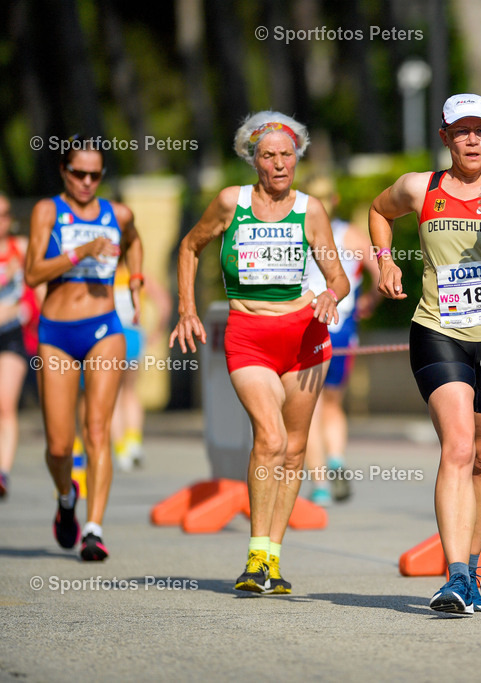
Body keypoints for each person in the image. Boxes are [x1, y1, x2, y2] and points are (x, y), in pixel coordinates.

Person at [369, 94, 481, 615]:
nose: (472, 140)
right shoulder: (419, 187)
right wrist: (385, 262)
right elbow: (379, 212)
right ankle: (456, 576)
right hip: (438, 329)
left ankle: (473, 568)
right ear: (444, 137)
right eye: (461, 131)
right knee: (460, 446)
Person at [170, 112, 349, 594]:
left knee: (292, 451)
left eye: (286, 154)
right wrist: (186, 309)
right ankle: (253, 557)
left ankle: (272, 559)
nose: (278, 163)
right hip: (249, 334)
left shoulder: (311, 210)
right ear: (253, 159)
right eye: (268, 155)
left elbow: (338, 276)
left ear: (298, 157)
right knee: (268, 437)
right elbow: (189, 247)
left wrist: (331, 293)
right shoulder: (232, 203)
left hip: (306, 338)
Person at [25, 138, 143, 561]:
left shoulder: (118, 213)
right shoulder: (47, 211)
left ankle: (94, 529)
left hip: (104, 328)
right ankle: (66, 496)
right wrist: (79, 251)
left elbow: (134, 240)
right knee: (59, 446)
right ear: (64, 170)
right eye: (80, 174)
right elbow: (33, 273)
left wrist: (136, 279)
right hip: (56, 331)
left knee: (97, 430)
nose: (88, 182)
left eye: (96, 175)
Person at [301, 178, 380, 505]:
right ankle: (336, 459)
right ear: (334, 199)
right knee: (333, 403)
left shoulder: (299, 232)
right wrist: (369, 303)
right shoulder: (352, 235)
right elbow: (381, 274)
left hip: (310, 327)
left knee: (311, 408)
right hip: (343, 328)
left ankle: (320, 486)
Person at [110, 263, 171, 472]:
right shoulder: (137, 273)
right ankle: (134, 442)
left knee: (115, 394)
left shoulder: (104, 272)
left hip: (110, 337)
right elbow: (164, 303)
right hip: (134, 335)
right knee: (130, 391)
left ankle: (121, 449)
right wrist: (156, 332)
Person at [0, 193, 31, 499]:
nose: (3, 220)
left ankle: (3, 473)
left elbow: (41, 286)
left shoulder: (20, 248)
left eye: (6, 214)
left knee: (5, 403)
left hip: (12, 335)